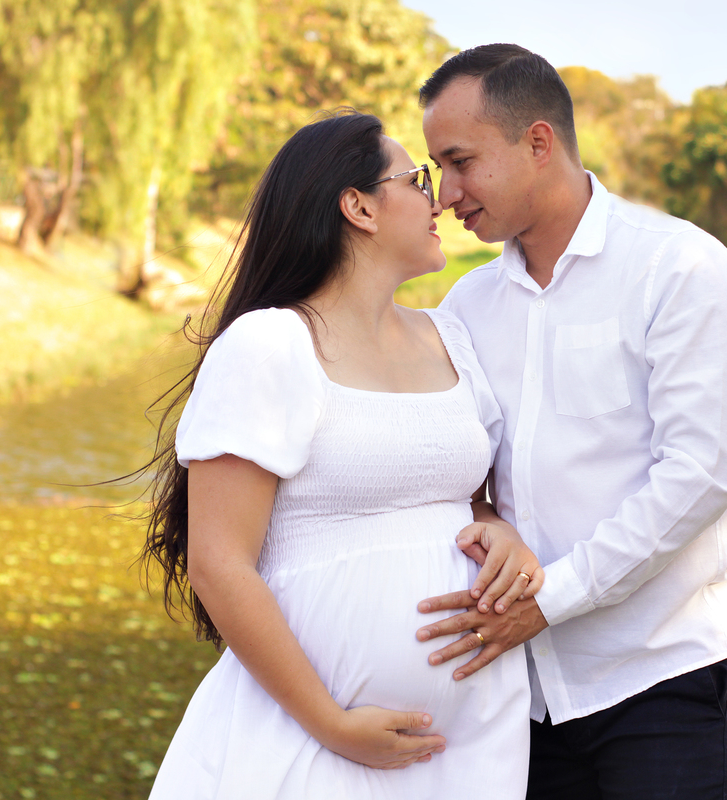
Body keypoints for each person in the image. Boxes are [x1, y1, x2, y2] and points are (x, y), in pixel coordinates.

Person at [142, 111, 534, 800]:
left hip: (472, 748)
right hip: (305, 742)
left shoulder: (451, 338)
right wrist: (330, 723)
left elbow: (460, 499)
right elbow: (218, 562)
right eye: (417, 180)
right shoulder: (270, 345)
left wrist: (500, 533)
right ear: (359, 207)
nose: (441, 198)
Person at [413, 45, 727, 799]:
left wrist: (549, 600)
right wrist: (484, 522)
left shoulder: (681, 269)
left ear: (538, 142)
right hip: (518, 695)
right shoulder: (466, 306)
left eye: (461, 162)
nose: (445, 194)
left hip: (661, 678)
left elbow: (699, 477)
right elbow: (460, 474)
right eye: (438, 169)